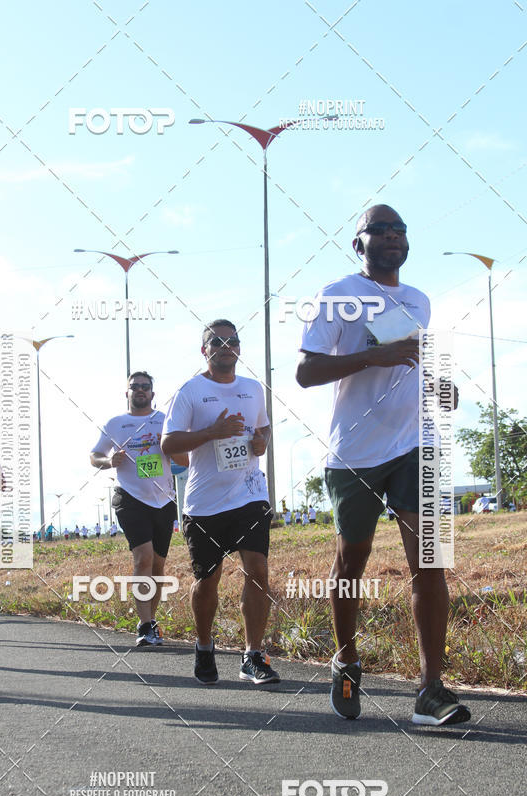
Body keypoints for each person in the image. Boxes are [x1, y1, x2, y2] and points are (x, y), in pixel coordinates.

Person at [296, 204, 470, 727]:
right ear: (359, 243)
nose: (392, 237)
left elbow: (423, 362)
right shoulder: (338, 296)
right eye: (380, 230)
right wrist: (374, 357)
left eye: (400, 230)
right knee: (352, 564)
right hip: (356, 451)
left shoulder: (419, 300)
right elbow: (306, 371)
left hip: (419, 444)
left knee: (431, 563)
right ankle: (346, 660)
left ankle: (430, 690)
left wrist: (443, 388)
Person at [161, 319, 279, 685]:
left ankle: (253, 655)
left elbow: (263, 427)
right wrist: (213, 432)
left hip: (250, 494)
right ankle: (204, 643)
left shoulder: (252, 388)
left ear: (239, 348)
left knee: (258, 571)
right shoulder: (190, 392)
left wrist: (262, 442)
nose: (226, 345)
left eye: (233, 340)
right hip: (205, 503)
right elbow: (169, 445)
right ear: (205, 350)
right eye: (217, 341)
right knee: (208, 579)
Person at [91, 371, 187, 647]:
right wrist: (110, 460)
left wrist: (167, 446)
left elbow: (184, 459)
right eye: (135, 387)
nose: (141, 391)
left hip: (163, 500)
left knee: (158, 565)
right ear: (127, 393)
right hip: (130, 498)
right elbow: (94, 455)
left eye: (146, 387)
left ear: (153, 394)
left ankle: (150, 620)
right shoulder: (116, 423)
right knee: (143, 558)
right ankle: (145, 625)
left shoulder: (164, 420)